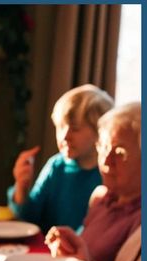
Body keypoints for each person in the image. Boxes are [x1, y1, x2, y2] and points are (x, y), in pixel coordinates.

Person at [45, 102, 141, 261]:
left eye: (119, 152)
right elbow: (85, 254)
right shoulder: (100, 197)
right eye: (103, 147)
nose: (105, 160)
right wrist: (68, 246)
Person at [7, 84, 114, 233]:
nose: (65, 136)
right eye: (61, 127)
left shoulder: (109, 175)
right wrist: (21, 187)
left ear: (99, 132)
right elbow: (28, 220)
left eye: (75, 128)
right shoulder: (56, 165)